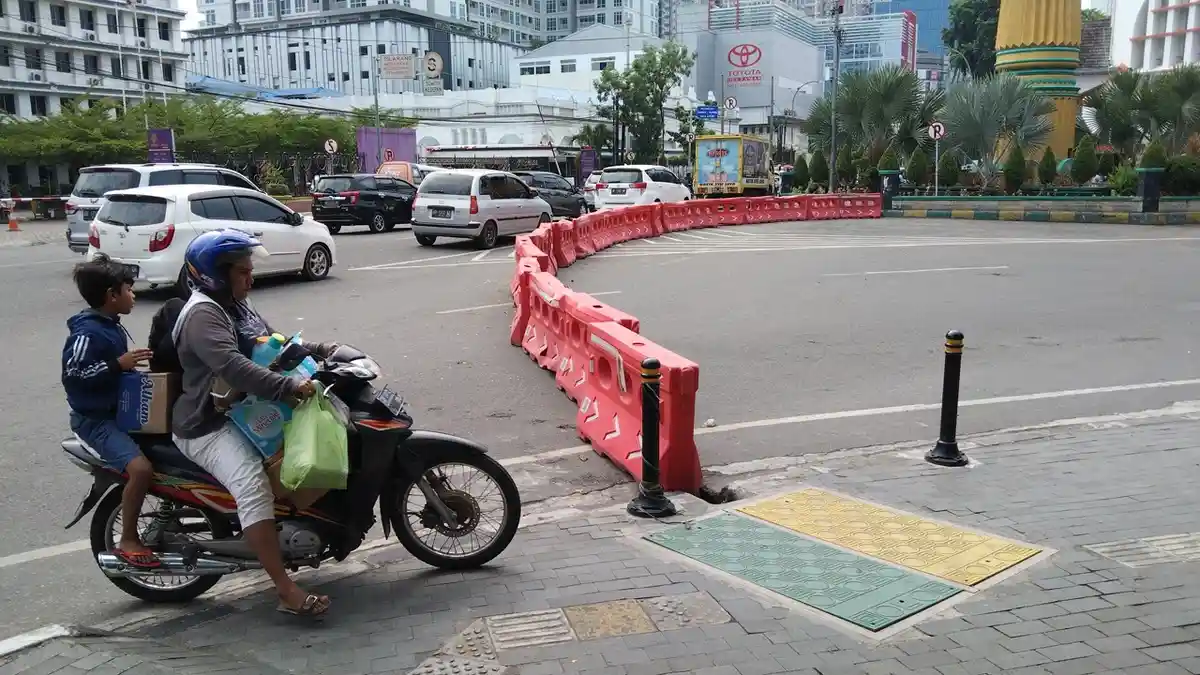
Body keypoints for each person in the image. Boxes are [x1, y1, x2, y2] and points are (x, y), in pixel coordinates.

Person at [171, 229, 333, 617]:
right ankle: (285, 590)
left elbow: (270, 342)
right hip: (206, 425)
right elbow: (232, 367)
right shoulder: (202, 315)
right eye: (243, 272)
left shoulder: (236, 305)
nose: (250, 278)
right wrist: (287, 385)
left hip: (243, 414)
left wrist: (324, 349)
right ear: (215, 275)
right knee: (254, 486)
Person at [62, 255, 158, 568]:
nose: (134, 295)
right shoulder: (87, 333)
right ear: (111, 296)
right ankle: (129, 538)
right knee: (141, 470)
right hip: (96, 421)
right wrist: (118, 364)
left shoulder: (109, 325)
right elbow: (73, 376)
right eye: (129, 290)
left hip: (118, 410)